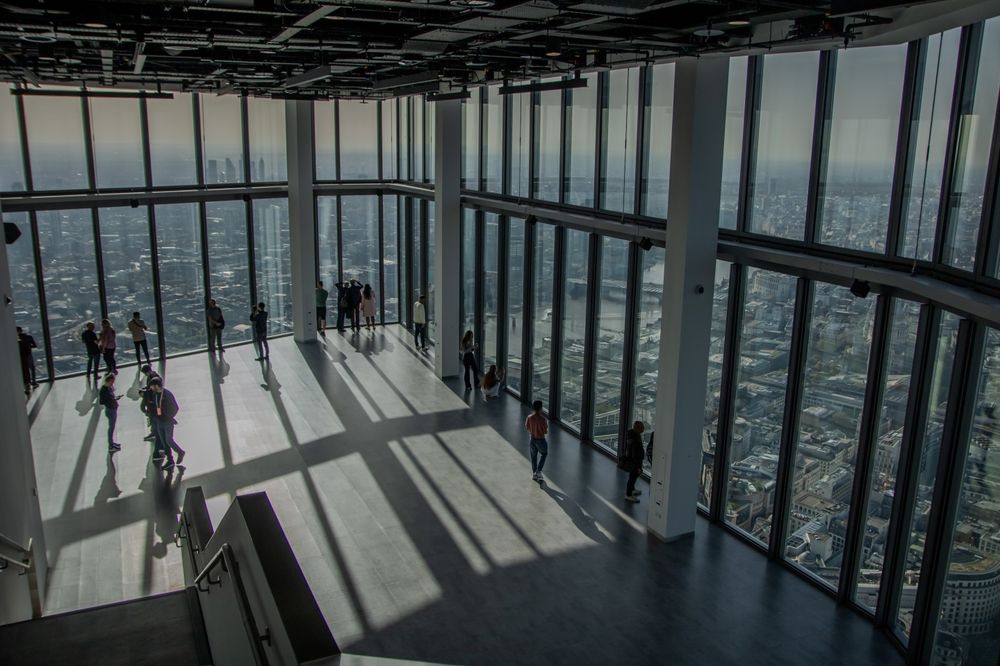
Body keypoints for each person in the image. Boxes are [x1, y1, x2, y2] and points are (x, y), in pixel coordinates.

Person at [149, 377, 184, 469]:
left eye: (152, 386)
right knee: (164, 441)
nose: (151, 388)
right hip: (159, 421)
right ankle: (170, 460)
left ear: (156, 385)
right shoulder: (155, 394)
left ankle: (180, 452)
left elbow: (175, 408)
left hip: (167, 421)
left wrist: (169, 417)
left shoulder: (167, 394)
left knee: (169, 439)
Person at [526, 400, 549, 482]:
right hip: (541, 440)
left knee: (533, 457)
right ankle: (539, 471)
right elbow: (545, 431)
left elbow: (527, 427)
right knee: (544, 454)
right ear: (540, 408)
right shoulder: (543, 419)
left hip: (532, 439)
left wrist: (533, 431)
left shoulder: (529, 417)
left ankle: (534, 474)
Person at [624, 421, 646, 503]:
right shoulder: (635, 439)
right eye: (642, 427)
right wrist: (638, 467)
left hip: (632, 461)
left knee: (632, 477)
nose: (643, 429)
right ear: (638, 428)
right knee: (632, 478)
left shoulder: (632, 436)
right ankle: (628, 495)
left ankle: (632, 490)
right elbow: (635, 454)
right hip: (635, 462)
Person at [98, 373, 121, 452]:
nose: (113, 383)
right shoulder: (104, 390)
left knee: (112, 427)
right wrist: (111, 399)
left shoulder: (109, 388)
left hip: (113, 408)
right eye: (112, 381)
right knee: (111, 428)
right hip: (110, 410)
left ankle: (112, 443)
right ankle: (111, 446)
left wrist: (114, 398)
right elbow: (102, 401)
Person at [139, 364, 161, 444]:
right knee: (152, 416)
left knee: (153, 416)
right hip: (150, 399)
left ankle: (155, 432)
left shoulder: (153, 377)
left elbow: (151, 389)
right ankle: (154, 431)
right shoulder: (152, 376)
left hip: (151, 400)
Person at [16, 326, 39, 394]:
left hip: (21, 356)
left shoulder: (17, 339)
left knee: (24, 371)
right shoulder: (28, 337)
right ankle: (33, 382)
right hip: (28, 355)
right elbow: (34, 345)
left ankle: (27, 386)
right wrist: (29, 346)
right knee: (32, 368)